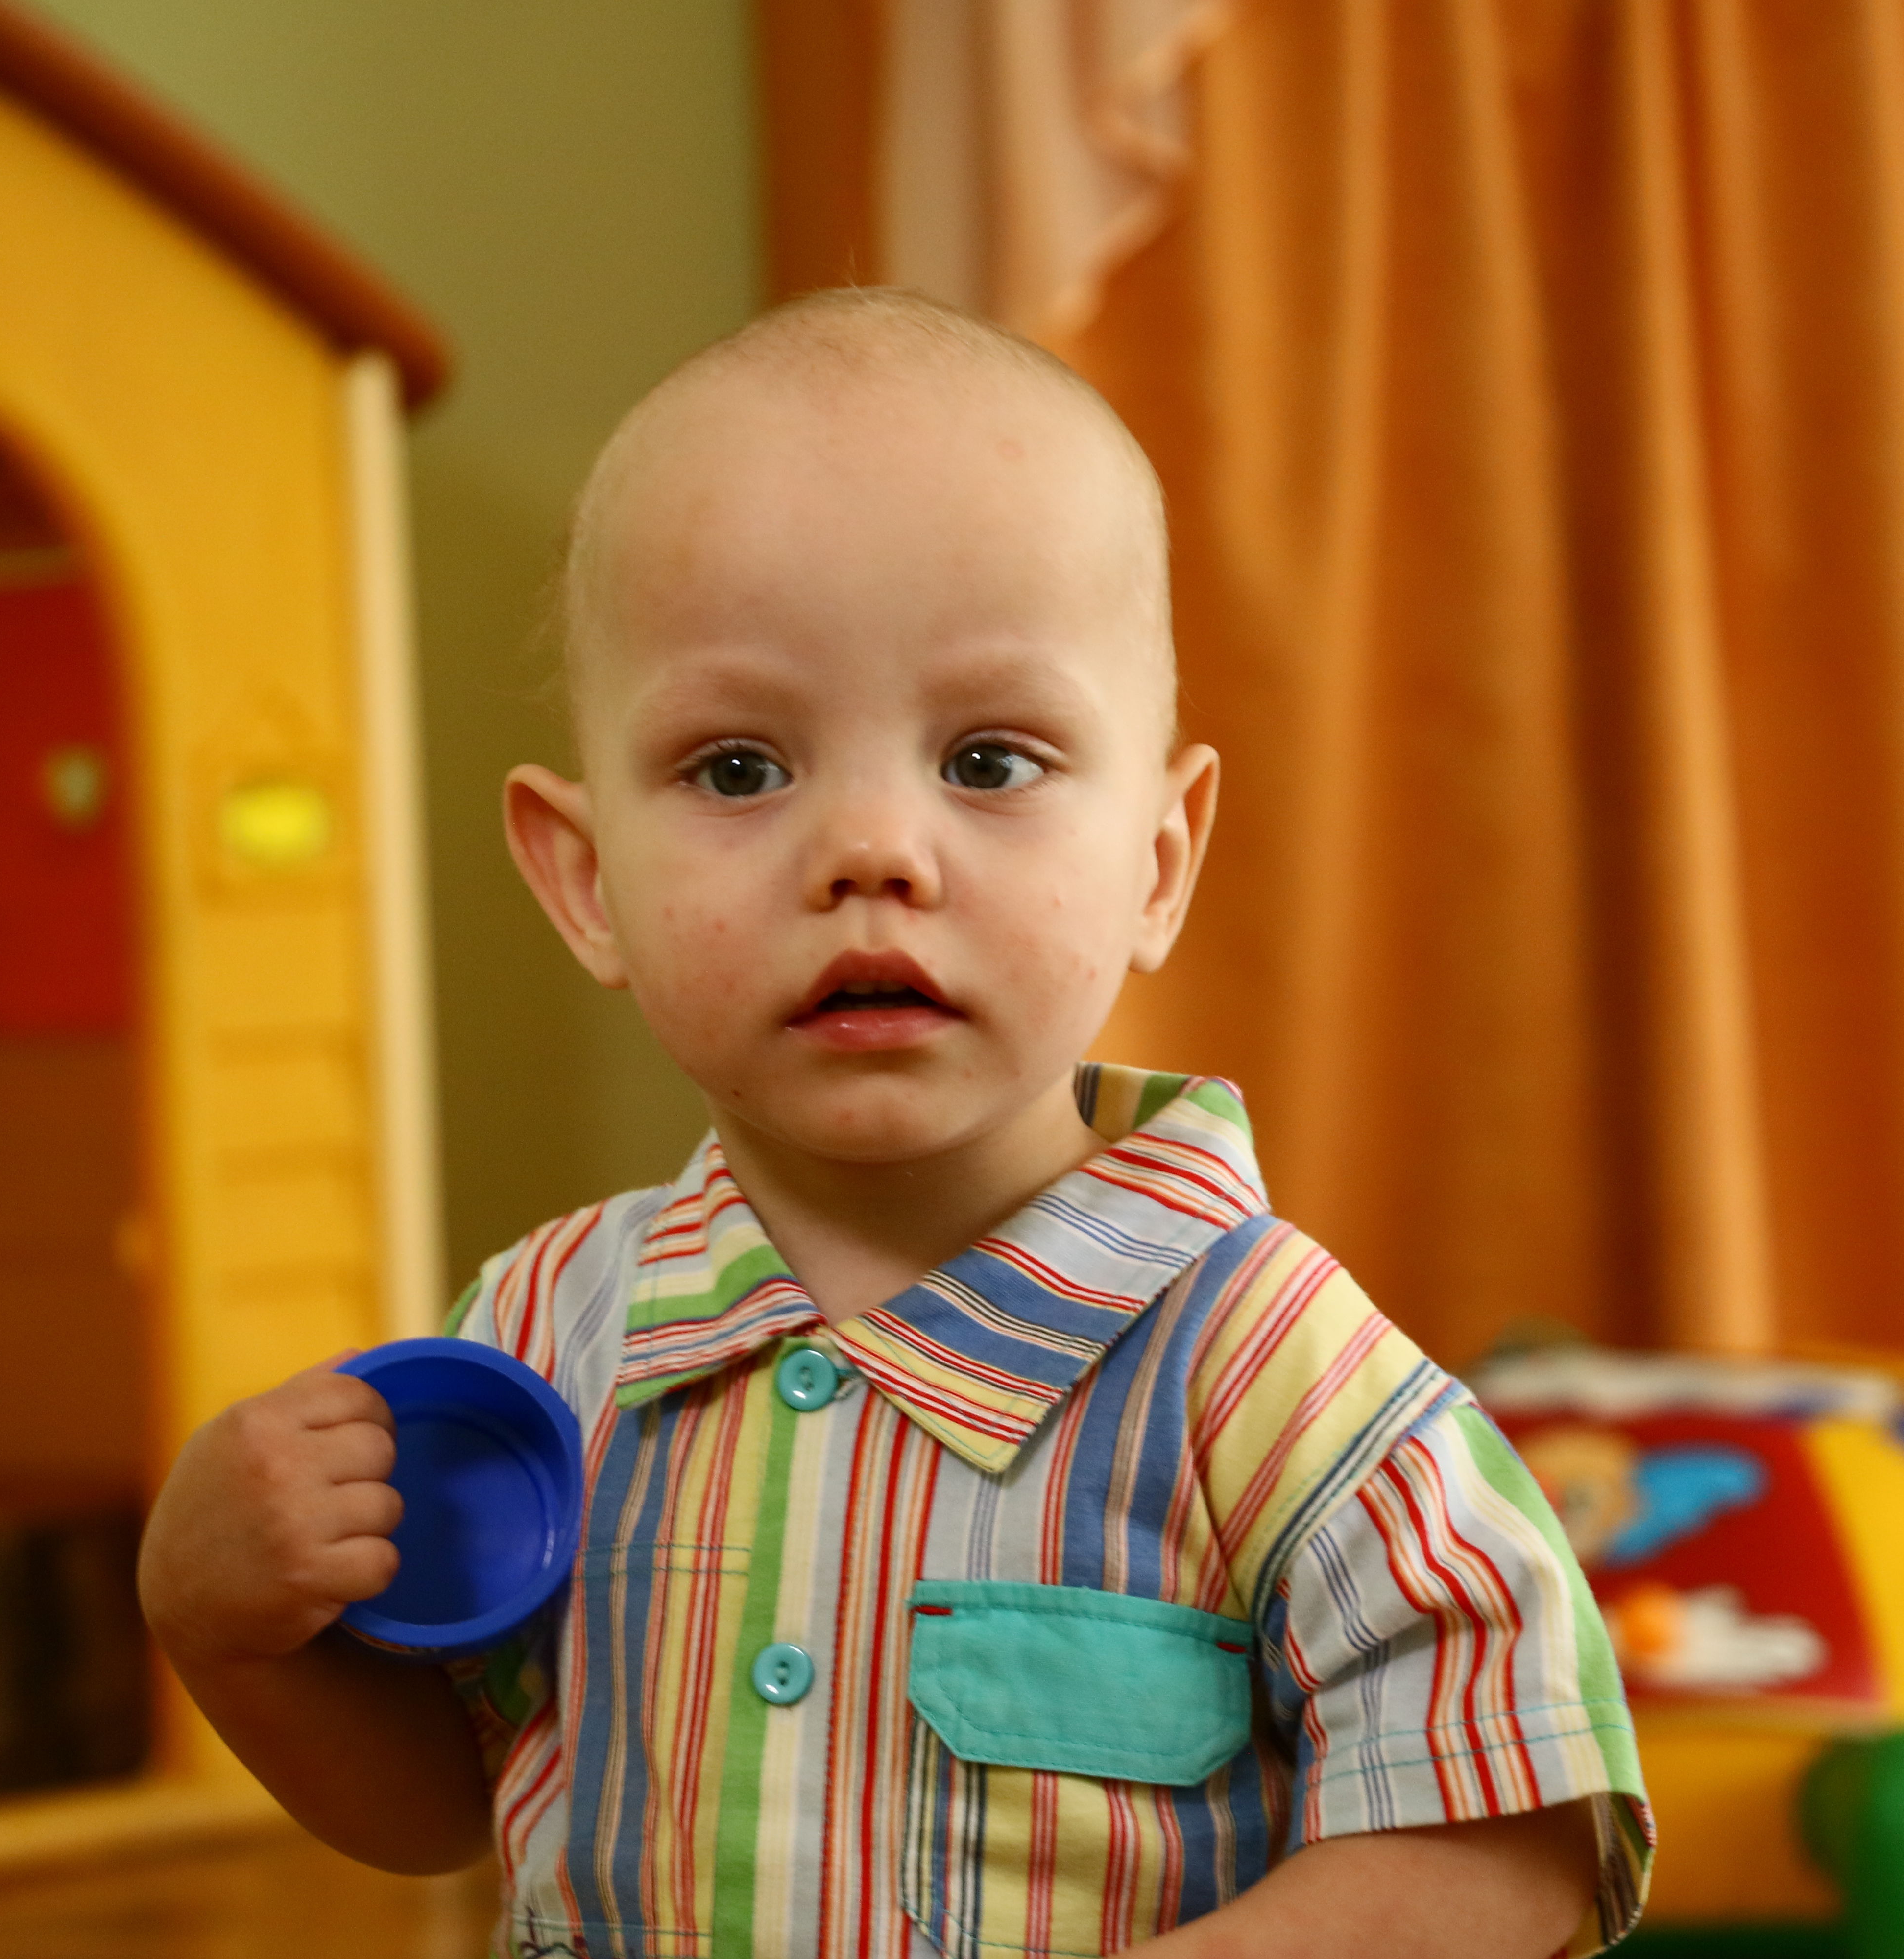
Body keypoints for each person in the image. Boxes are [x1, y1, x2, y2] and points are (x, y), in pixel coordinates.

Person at [139, 287, 1652, 1958]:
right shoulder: (547, 1334)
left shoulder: (1261, 1366)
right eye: (737, 769)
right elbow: (447, 1804)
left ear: (1157, 863)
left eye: (990, 762)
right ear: (586, 883)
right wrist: (229, 1631)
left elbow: (1513, 1832)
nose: (872, 848)